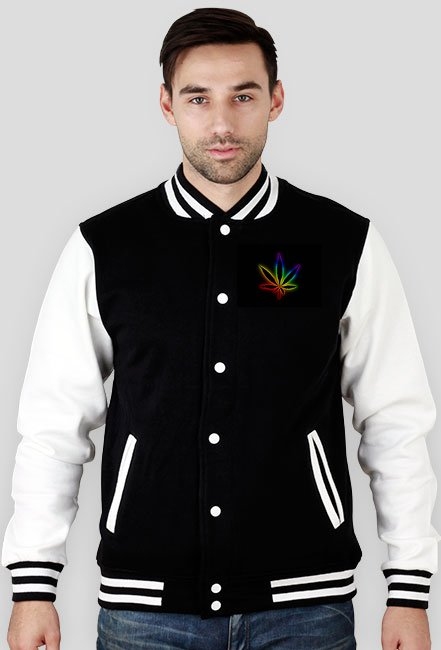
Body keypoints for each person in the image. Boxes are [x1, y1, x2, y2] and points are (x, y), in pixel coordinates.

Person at [2, 7, 439, 650]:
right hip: (146, 611)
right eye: (198, 98)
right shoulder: (107, 247)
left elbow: (395, 420)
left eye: (244, 96)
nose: (222, 124)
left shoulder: (339, 242)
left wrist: (409, 590)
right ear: (167, 105)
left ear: (276, 99)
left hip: (306, 608)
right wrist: (33, 586)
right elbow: (53, 424)